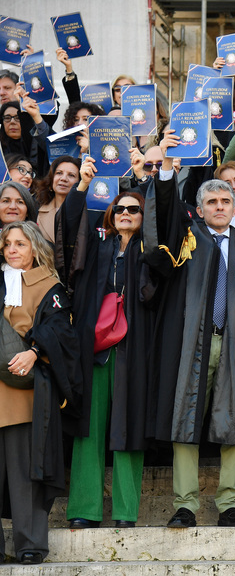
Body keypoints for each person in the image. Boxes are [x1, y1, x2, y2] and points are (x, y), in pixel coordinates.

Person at [145, 130, 235, 529]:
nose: (220, 206)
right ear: (199, 209)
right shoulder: (185, 239)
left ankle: (230, 505)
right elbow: (165, 212)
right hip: (189, 345)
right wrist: (167, 166)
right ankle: (185, 505)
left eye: (226, 200)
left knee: (233, 422)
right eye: (211, 201)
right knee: (185, 420)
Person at [63, 160, 154, 529]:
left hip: (134, 350)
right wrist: (83, 184)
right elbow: (70, 229)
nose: (126, 214)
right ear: (111, 215)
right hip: (96, 349)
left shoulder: (151, 249)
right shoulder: (98, 247)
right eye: (120, 209)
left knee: (128, 427)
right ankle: (84, 508)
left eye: (134, 209)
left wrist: (150, 176)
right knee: (89, 428)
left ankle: (125, 512)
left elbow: (170, 218)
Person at [0, 221, 80, 565]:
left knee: (25, 474)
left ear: (34, 247)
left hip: (23, 393)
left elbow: (60, 331)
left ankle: (30, 544)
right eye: (7, 244)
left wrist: (34, 351)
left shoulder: (51, 285)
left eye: (20, 243)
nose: (13, 249)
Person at [34, 156, 81, 244]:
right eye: (59, 173)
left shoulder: (86, 213)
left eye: (71, 175)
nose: (63, 179)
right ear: (51, 178)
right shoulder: (36, 209)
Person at [1, 100, 48, 177]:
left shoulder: (39, 145)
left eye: (17, 117)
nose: (12, 122)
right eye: (7, 117)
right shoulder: (1, 149)